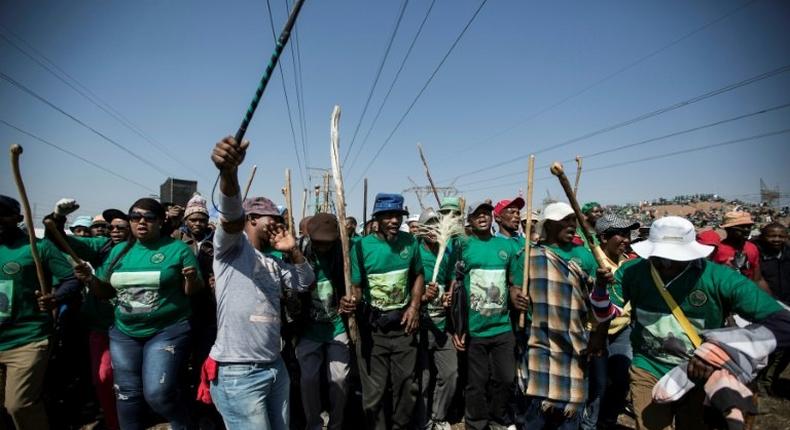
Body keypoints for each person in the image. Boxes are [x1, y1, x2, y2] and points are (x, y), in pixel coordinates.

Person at [610, 216, 788, 430]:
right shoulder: (631, 272)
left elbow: (782, 322)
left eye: (675, 258)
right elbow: (607, 313)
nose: (666, 264)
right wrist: (601, 290)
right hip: (647, 366)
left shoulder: (720, 278)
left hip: (699, 374)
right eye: (660, 257)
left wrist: (717, 350)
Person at [207, 136, 314, 430]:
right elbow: (230, 216)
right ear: (252, 219)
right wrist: (229, 173)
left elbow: (304, 282)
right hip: (239, 372)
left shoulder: (274, 261)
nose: (278, 224)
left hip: (273, 366)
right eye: (272, 218)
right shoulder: (231, 248)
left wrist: (292, 252)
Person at [73, 197, 203, 430]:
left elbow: (191, 292)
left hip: (166, 331)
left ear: (161, 221)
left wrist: (191, 279)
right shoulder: (118, 252)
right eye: (135, 217)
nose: (141, 222)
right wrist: (89, 279)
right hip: (124, 334)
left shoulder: (178, 250)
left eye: (149, 218)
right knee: (127, 395)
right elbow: (104, 291)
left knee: (157, 393)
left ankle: (184, 423)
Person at [511, 202, 612, 430]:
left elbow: (598, 301)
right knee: (535, 413)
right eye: (564, 221)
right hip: (539, 341)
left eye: (573, 221)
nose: (571, 225)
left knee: (569, 415)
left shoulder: (585, 256)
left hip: (574, 342)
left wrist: (602, 284)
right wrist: (515, 295)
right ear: (550, 225)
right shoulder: (528, 256)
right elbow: (515, 287)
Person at [0, 195, 81, 429]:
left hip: (26, 339)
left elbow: (71, 280)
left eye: (3, 214)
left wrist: (54, 298)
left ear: (17, 218)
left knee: (18, 405)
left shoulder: (38, 248)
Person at [345, 193, 424, 430]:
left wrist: (414, 307)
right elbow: (357, 289)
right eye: (388, 216)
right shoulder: (361, 247)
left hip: (403, 327)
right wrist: (351, 301)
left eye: (398, 216)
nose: (394, 221)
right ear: (376, 219)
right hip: (373, 331)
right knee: (373, 394)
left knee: (407, 387)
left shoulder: (410, 243)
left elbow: (418, 275)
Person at [45, 201, 127, 430]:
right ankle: (113, 422)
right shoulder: (100, 246)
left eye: (122, 226)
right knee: (102, 377)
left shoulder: (145, 250)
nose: (116, 231)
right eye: (112, 227)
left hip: (135, 327)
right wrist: (59, 217)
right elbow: (57, 238)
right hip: (102, 324)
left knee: (132, 380)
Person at [450, 201, 525, 430]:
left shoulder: (506, 247)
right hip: (474, 329)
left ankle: (497, 419)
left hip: (502, 327)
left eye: (486, 214)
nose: (482, 217)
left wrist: (516, 296)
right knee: (476, 383)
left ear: (492, 218)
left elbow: (513, 283)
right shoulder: (462, 246)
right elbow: (454, 286)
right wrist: (457, 328)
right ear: (470, 220)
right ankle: (475, 423)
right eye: (476, 215)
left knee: (505, 379)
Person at [296, 213, 350, 430]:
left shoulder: (342, 253)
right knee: (308, 381)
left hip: (335, 325)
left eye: (328, 244)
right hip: (309, 328)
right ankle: (314, 425)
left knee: (340, 379)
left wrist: (350, 298)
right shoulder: (299, 252)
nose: (323, 248)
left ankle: (336, 425)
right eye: (318, 243)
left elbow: (353, 282)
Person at [587, 213, 640, 430]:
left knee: (622, 379)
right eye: (620, 234)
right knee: (597, 385)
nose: (626, 239)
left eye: (628, 234)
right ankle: (588, 424)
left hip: (622, 330)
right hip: (594, 330)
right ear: (603, 238)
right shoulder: (592, 260)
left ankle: (606, 422)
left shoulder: (628, 263)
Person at [413, 208, 456, 430]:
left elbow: (451, 279)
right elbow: (405, 289)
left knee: (450, 374)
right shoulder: (414, 252)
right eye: (428, 225)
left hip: (442, 326)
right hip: (419, 325)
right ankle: (422, 421)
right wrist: (420, 297)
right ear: (421, 229)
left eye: (436, 225)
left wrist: (449, 294)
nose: (433, 230)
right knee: (423, 377)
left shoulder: (446, 253)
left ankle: (439, 417)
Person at [755, 222, 790, 394]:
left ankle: (770, 380)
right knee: (769, 346)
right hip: (766, 306)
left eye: (781, 236)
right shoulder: (757, 254)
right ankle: (759, 380)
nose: (777, 239)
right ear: (763, 236)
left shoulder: (788, 253)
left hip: (787, 303)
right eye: (772, 235)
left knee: (786, 348)